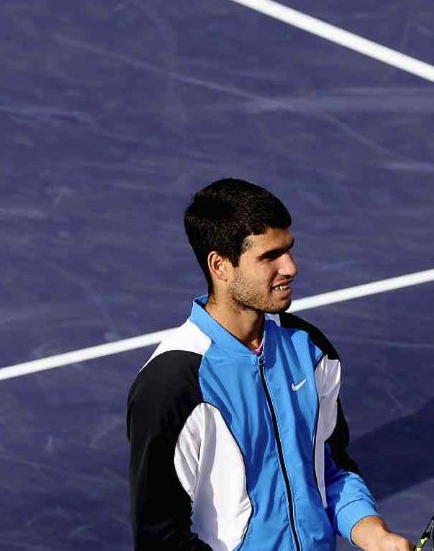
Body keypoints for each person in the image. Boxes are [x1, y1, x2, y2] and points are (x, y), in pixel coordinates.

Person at [127, 178, 411, 551]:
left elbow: (330, 469)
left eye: (289, 250)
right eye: (269, 257)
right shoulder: (172, 384)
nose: (290, 267)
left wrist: (373, 533)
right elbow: (160, 539)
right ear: (220, 265)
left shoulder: (309, 350)